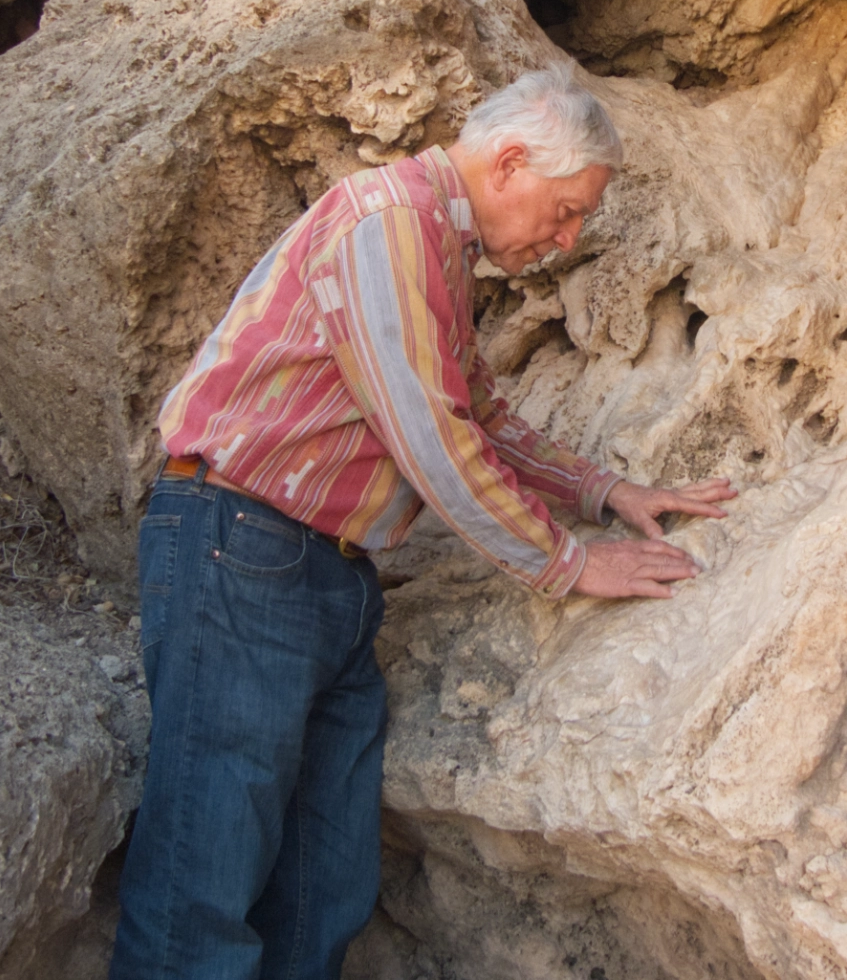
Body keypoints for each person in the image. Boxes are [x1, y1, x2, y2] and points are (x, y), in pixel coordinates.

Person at [110, 67, 736, 980]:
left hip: (318, 573)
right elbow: (431, 433)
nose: (565, 240)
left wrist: (605, 494)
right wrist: (566, 563)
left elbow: (474, 408)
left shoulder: (435, 250)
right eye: (566, 212)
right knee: (199, 886)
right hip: (237, 545)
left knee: (320, 890)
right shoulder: (385, 224)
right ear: (512, 160)